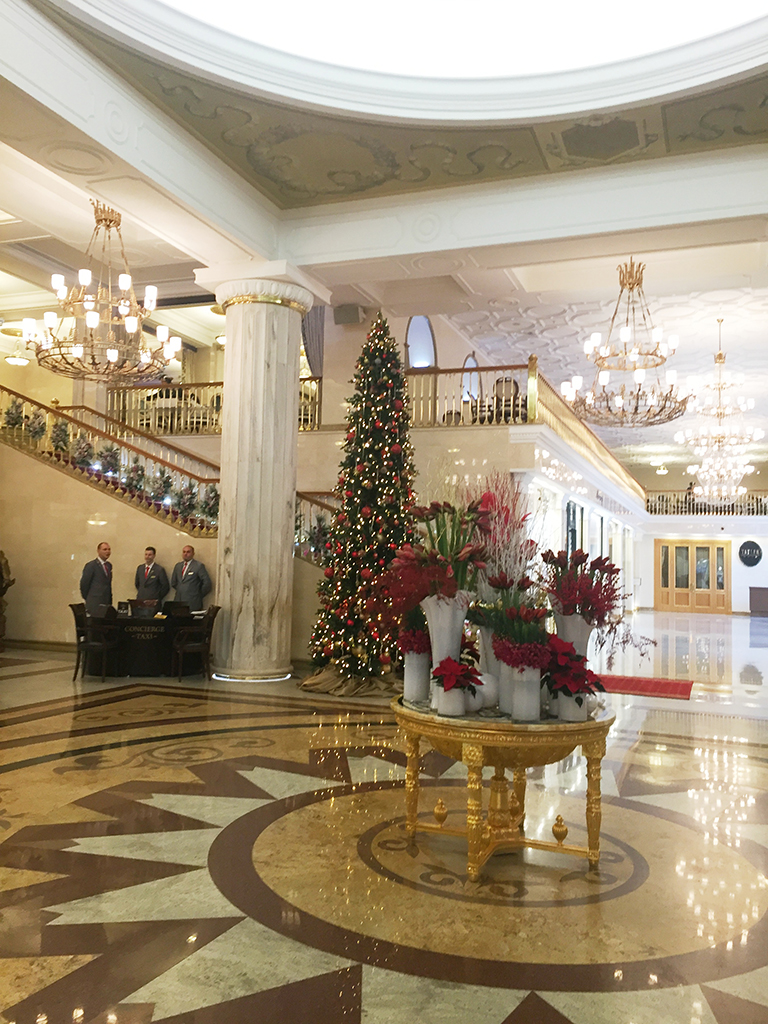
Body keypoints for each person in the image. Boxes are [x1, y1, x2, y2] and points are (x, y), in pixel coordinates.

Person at [170, 544, 212, 611]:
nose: (185, 554)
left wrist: (198, 594)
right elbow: (173, 582)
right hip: (179, 600)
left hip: (193, 602)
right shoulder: (178, 566)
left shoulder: (198, 566)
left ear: (193, 554)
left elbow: (207, 583)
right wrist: (182, 590)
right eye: (184, 552)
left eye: (188, 552)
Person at [80, 541, 113, 617]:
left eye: (109, 549)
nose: (107, 551)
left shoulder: (109, 566)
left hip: (106, 603)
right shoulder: (91, 565)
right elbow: (84, 584)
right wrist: (89, 598)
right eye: (105, 549)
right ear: (98, 551)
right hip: (94, 603)